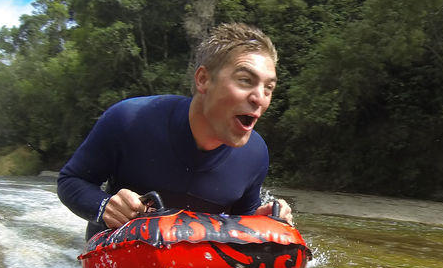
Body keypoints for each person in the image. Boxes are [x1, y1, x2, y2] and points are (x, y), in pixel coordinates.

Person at [57, 22, 292, 239]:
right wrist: (104, 206)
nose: (260, 98)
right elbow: (71, 180)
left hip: (194, 267)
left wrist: (260, 222)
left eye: (269, 88)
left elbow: (241, 217)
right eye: (245, 80)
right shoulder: (129, 120)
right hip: (114, 258)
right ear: (203, 79)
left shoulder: (256, 154)